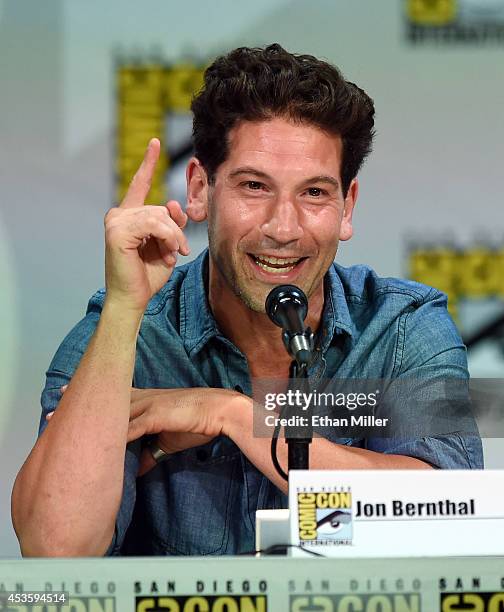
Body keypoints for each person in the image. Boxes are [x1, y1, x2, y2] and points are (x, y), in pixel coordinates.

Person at [11, 44, 483, 557]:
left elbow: (450, 520)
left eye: (315, 193)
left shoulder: (402, 328)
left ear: (347, 207)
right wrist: (126, 310)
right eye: (254, 186)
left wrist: (235, 416)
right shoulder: (130, 330)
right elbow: (55, 551)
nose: (283, 228)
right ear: (199, 190)